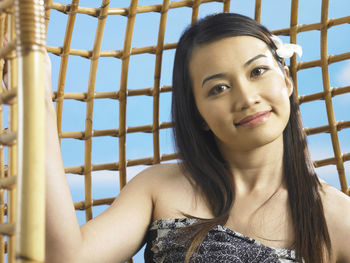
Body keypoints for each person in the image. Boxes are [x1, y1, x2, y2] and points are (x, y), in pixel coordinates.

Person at [2, 12, 350, 263]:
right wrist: (36, 100)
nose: (246, 98)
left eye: (258, 71)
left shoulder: (336, 217)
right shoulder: (160, 186)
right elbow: (67, 258)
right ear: (198, 114)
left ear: (286, 81)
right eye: (218, 88)